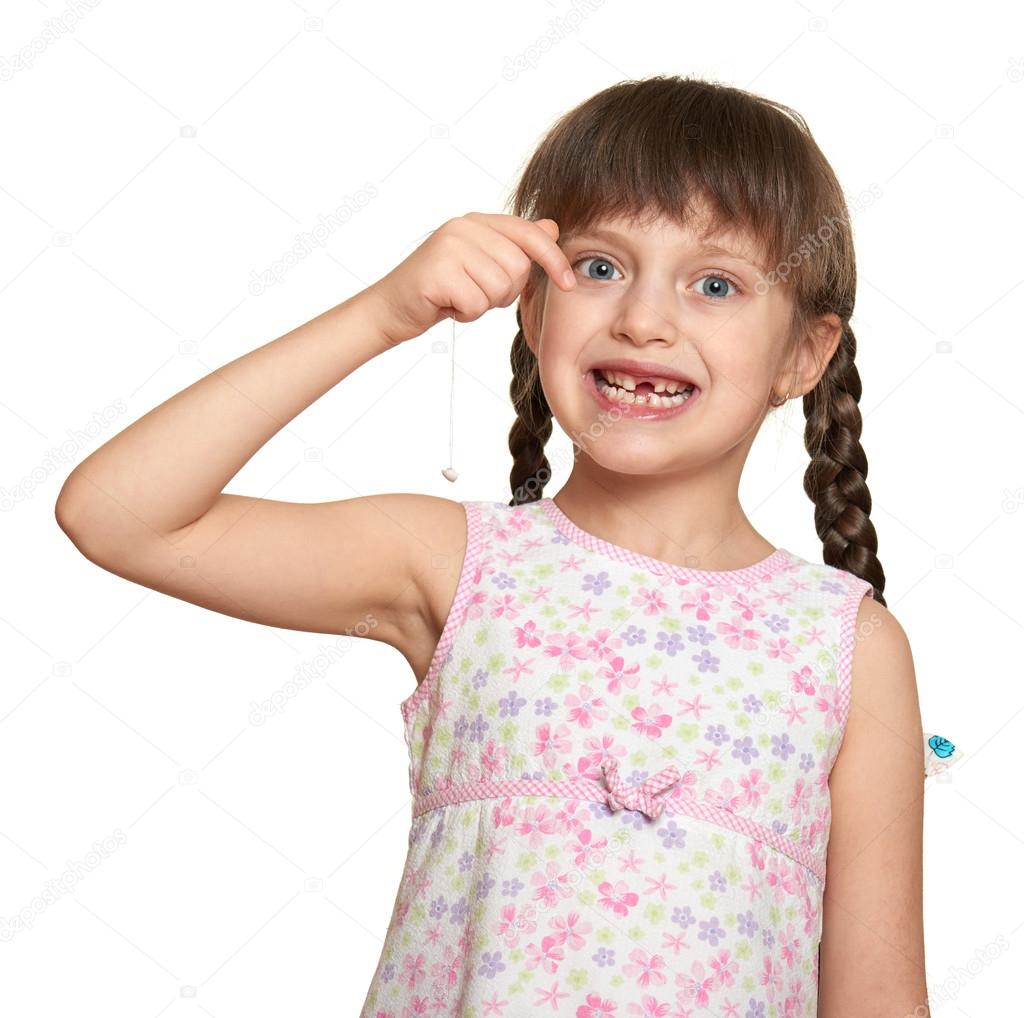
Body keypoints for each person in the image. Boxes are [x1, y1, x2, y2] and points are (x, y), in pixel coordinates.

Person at [55, 74, 958, 1016]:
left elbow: (880, 999)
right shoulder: (455, 563)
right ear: (532, 310)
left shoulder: (848, 645)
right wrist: (383, 314)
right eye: (601, 268)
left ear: (804, 357)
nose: (644, 319)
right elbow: (120, 514)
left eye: (716, 284)